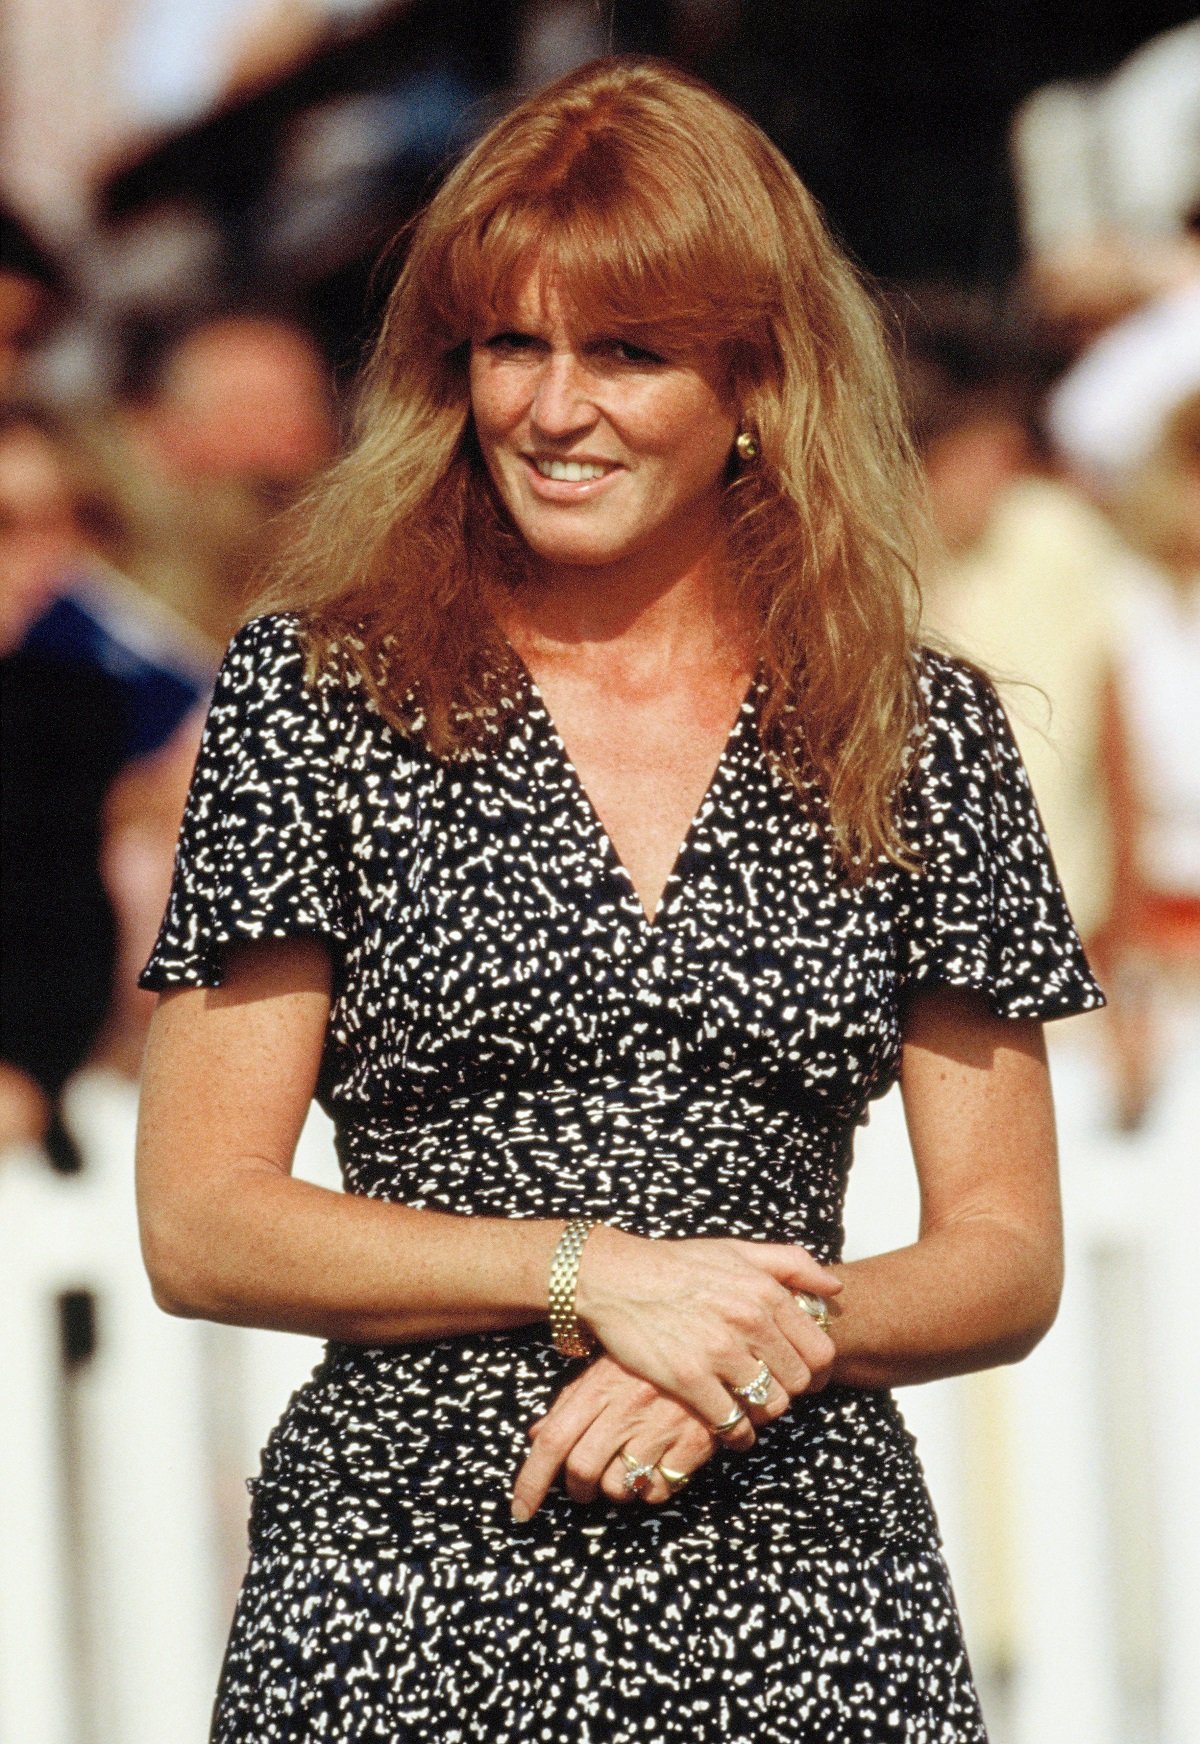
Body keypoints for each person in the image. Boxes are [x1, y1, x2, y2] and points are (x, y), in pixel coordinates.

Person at [135, 57, 1103, 1742]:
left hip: (810, 1583)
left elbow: (1007, 1253)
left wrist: (739, 1343)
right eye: (512, 344)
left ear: (755, 383)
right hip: (407, 1587)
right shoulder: (317, 697)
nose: (553, 409)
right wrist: (592, 1275)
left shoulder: (914, 724)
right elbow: (201, 1220)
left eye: (628, 353)